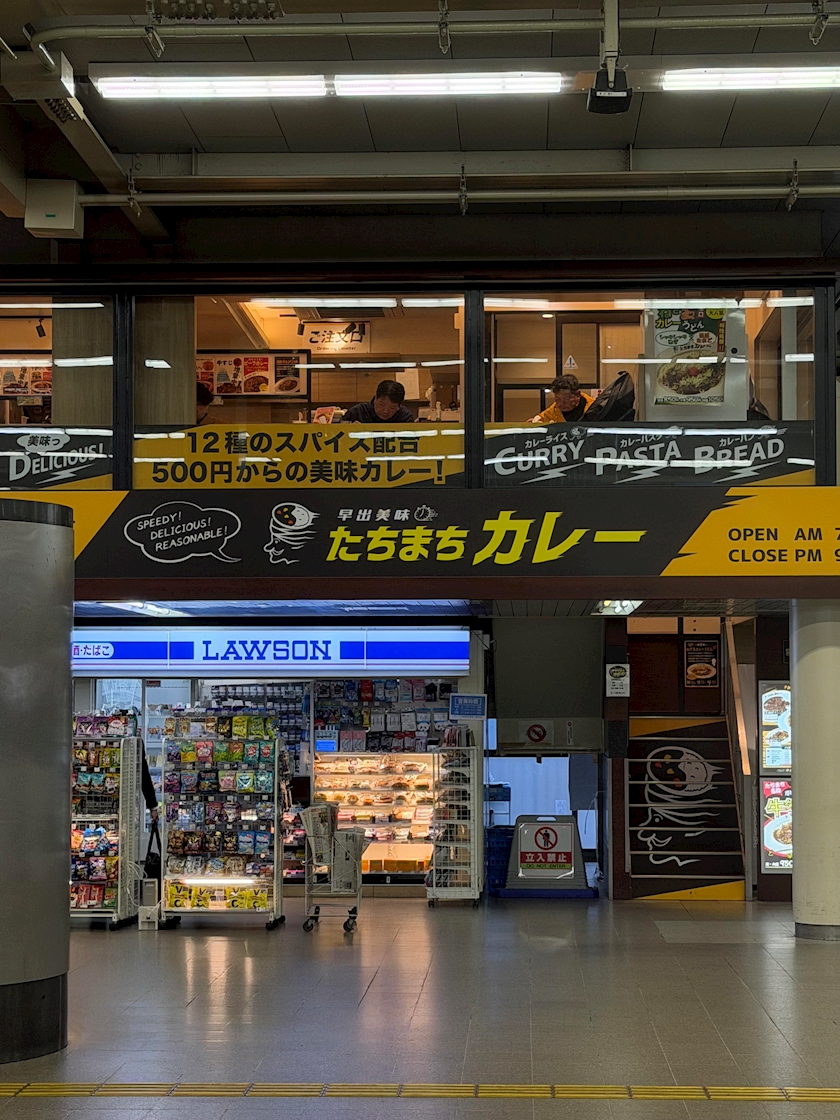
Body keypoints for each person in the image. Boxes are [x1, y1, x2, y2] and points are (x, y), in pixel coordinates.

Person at [342, 379, 415, 424]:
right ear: (375, 398)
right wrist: (349, 430)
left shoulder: (405, 418)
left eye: (392, 407)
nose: (386, 411)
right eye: (382, 404)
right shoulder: (358, 412)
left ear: (399, 407)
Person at [530, 374, 595, 424]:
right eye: (557, 399)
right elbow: (536, 422)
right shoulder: (552, 413)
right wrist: (534, 423)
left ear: (577, 395)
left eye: (566, 399)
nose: (561, 403)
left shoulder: (594, 407)